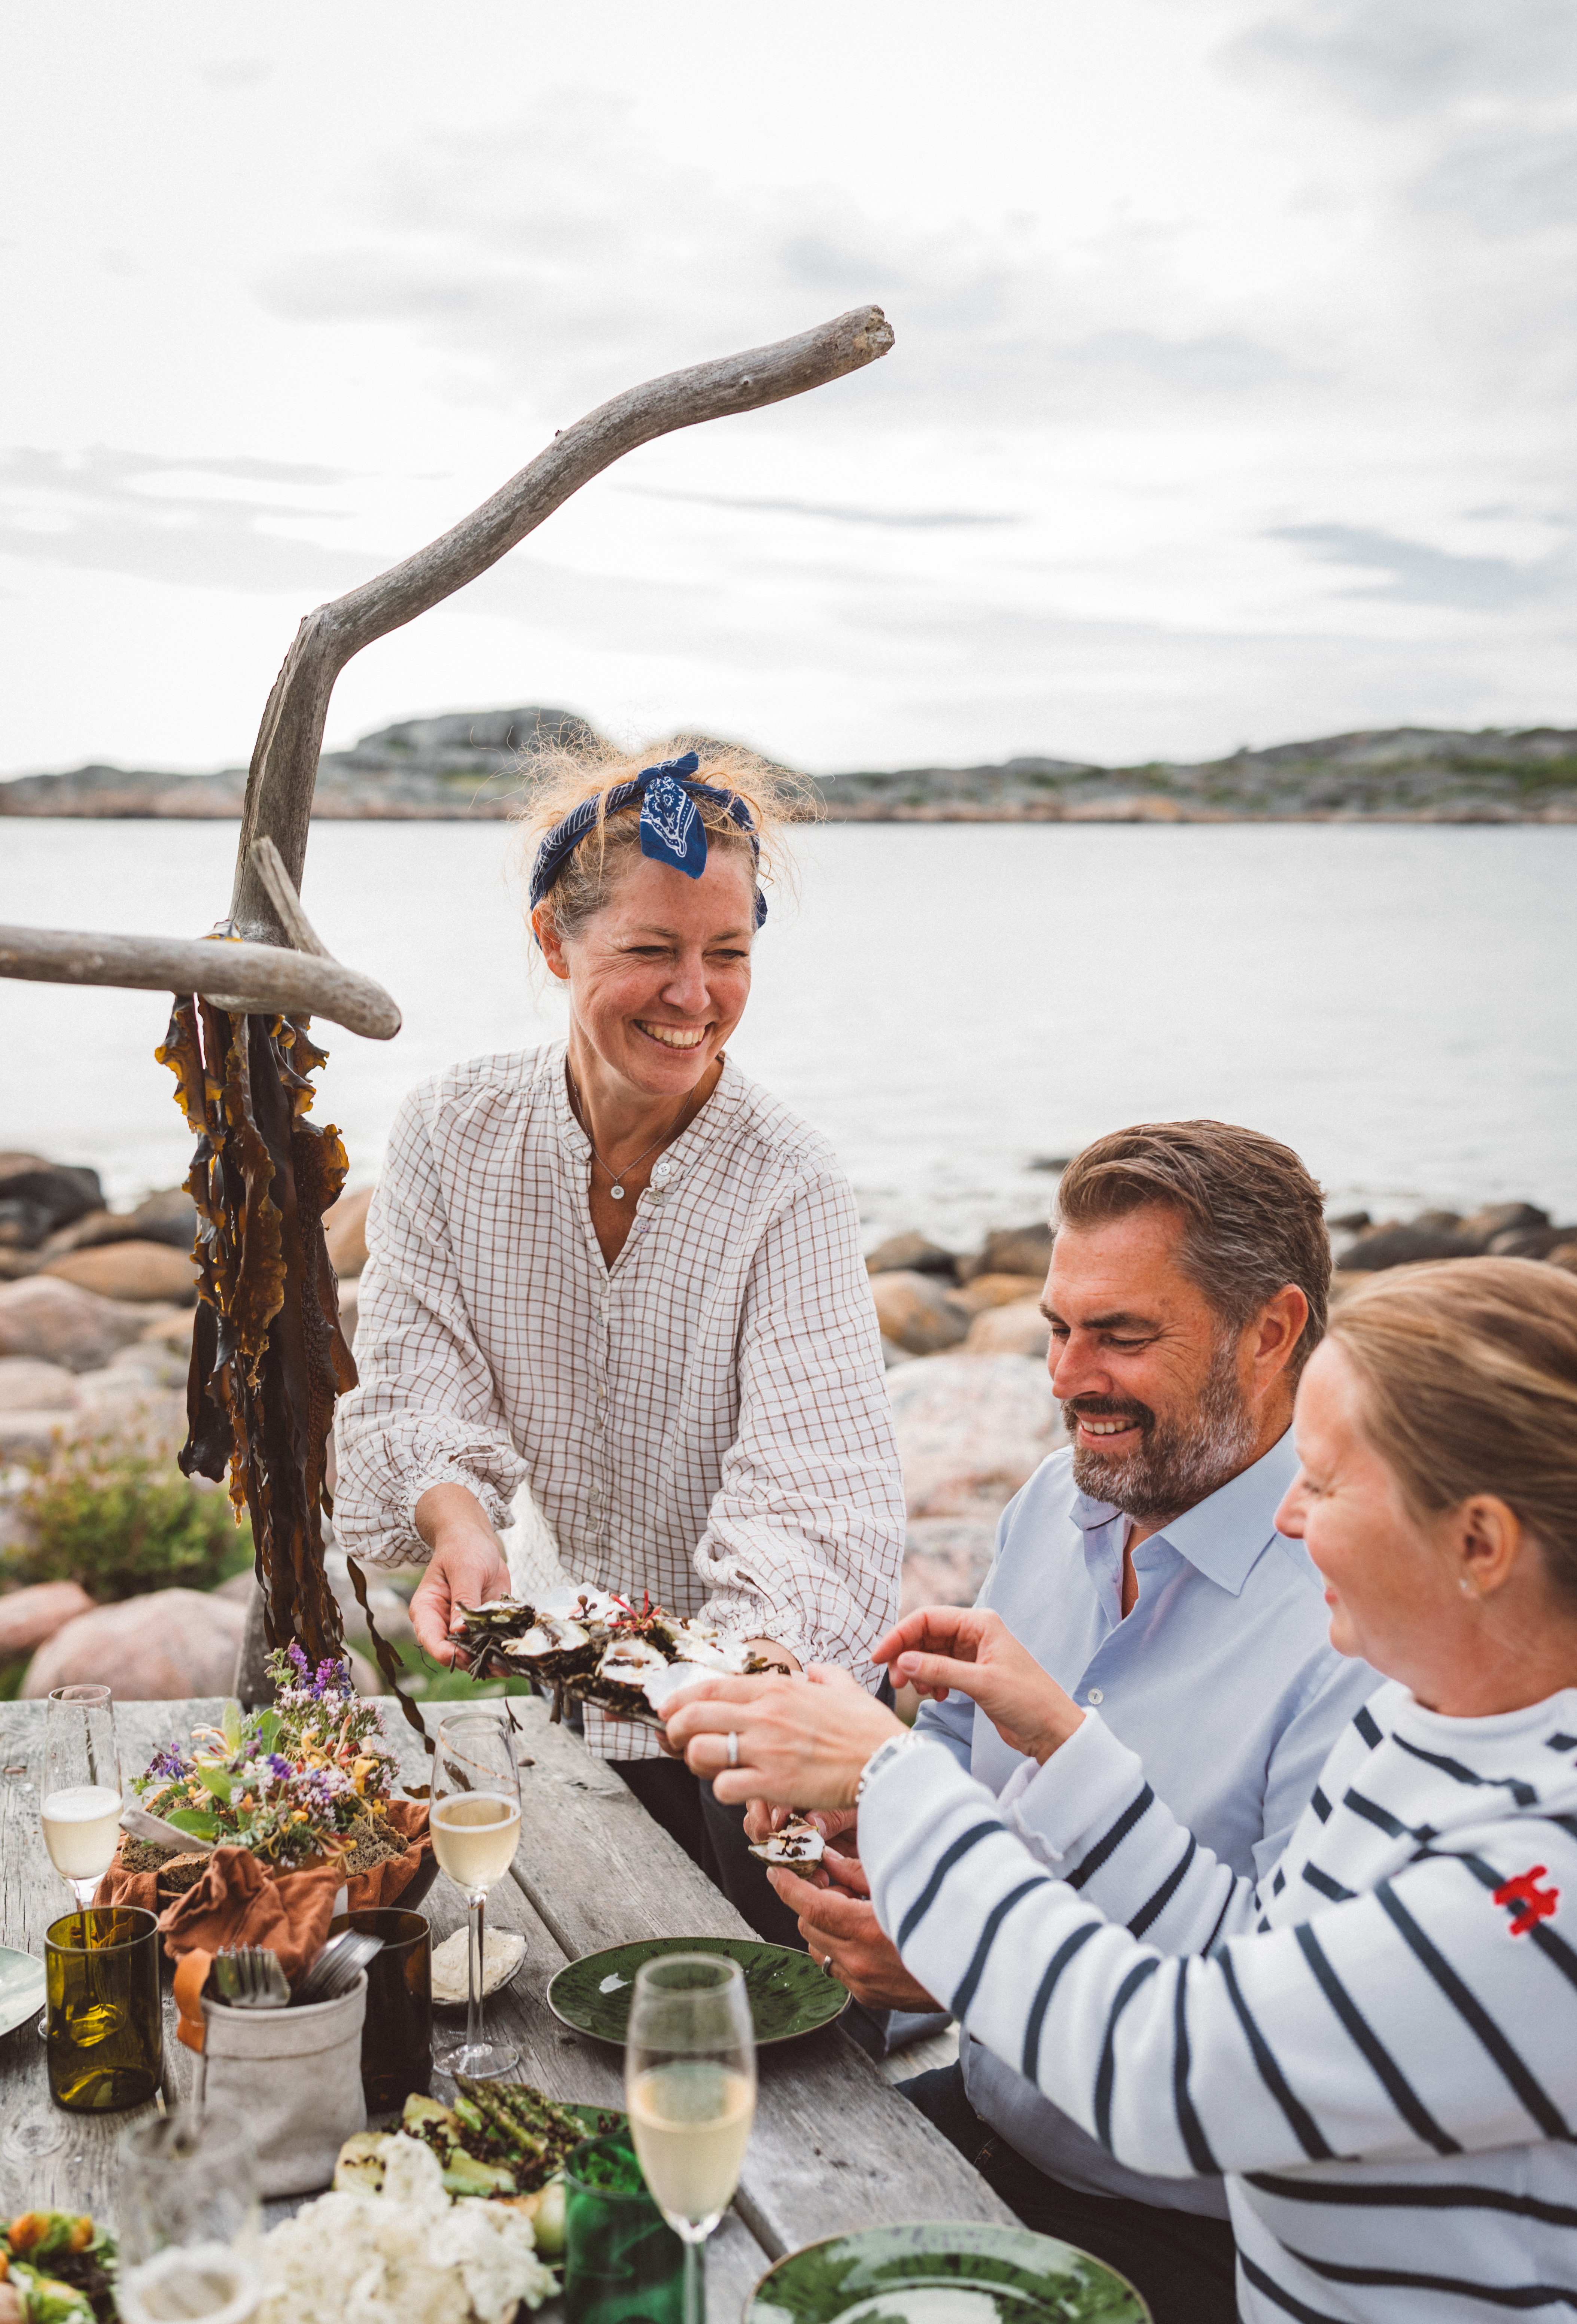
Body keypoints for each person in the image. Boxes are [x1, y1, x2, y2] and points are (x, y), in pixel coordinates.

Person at [664, 1256, 1577, 2324]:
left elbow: (1176, 2073)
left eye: (1323, 1485)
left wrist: (893, 1774)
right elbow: (1243, 1957)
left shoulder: (1539, 1871)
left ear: (1479, 1543)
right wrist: (1066, 1744)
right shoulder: (1428, 1722)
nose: (1285, 1519)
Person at [744, 1122, 1380, 2324]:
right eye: (1055, 1329)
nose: (1065, 1375)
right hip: (984, 2126)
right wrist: (866, 1823)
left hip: (1198, 2241)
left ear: (1274, 1331)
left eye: (1122, 1336)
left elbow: (1278, 2018)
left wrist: (959, 1958)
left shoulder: (1355, 1618)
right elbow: (958, 1752)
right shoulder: (1057, 1499)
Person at [333, 739, 904, 1929]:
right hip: (556, 1692)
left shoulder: (788, 1181)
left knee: (793, 2040)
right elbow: (409, 1376)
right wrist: (455, 1522)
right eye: (651, 950)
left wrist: (729, 1686)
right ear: (556, 944)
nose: (694, 996)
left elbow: (816, 1494)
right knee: (566, 2001)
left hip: (762, 1719)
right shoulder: (452, 1131)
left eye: (728, 953)